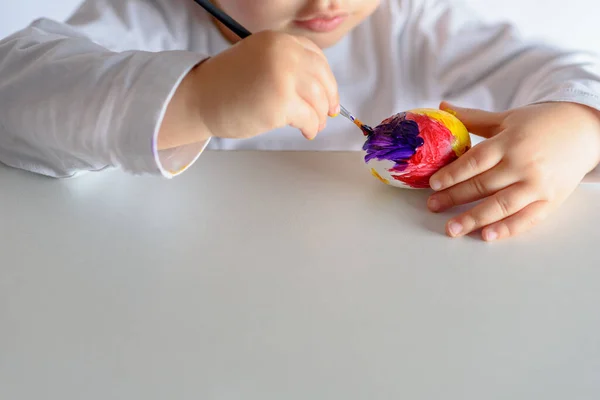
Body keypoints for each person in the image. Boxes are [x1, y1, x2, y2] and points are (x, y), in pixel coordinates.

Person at [1, 0, 600, 242]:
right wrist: (197, 96)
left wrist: (576, 122)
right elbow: (15, 94)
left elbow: (568, 68)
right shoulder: (137, 21)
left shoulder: (411, 22)